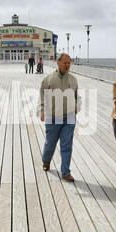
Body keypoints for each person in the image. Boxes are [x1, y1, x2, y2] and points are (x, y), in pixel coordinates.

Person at [39, 53, 79, 182]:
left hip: (69, 117)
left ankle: (66, 172)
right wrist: (42, 111)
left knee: (66, 145)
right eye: (65, 62)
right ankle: (46, 160)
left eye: (69, 63)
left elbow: (77, 96)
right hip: (53, 116)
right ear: (58, 63)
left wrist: (76, 107)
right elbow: (42, 96)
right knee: (50, 142)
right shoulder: (48, 79)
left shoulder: (73, 79)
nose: (67, 65)